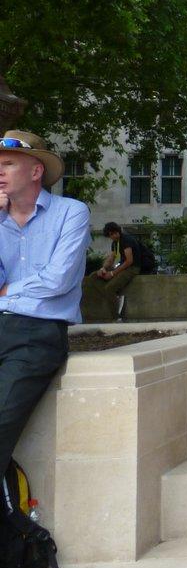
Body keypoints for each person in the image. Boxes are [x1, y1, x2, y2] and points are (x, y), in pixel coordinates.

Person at [0, 131, 90, 478]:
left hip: (36, 335)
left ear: (36, 171)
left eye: (8, 164)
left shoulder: (71, 213)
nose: (0, 171)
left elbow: (58, 281)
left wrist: (8, 293)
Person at [84, 222, 154, 321]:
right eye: (109, 235)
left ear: (117, 232)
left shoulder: (126, 240)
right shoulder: (115, 243)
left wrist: (112, 273)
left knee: (109, 288)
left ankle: (116, 317)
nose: (111, 237)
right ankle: (114, 297)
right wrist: (103, 269)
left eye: (112, 234)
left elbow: (129, 261)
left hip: (133, 268)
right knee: (94, 276)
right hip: (123, 267)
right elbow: (111, 258)